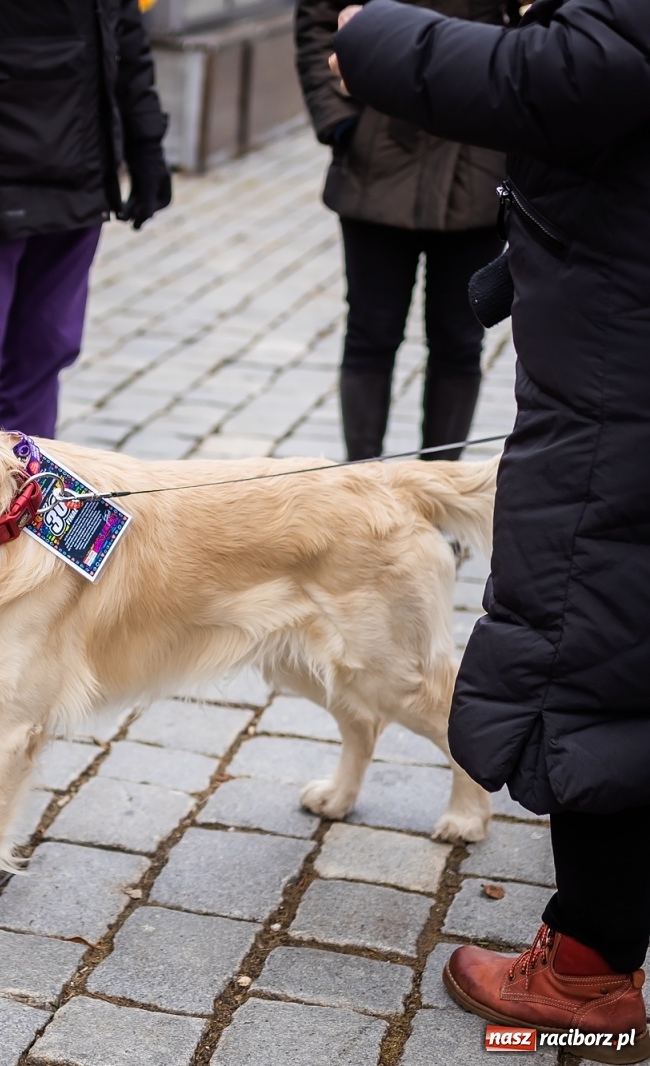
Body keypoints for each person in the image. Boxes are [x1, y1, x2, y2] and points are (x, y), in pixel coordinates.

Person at [333, 2, 650, 1057]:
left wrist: (370, 33)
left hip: (615, 399)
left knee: (596, 657)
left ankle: (588, 977)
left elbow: (580, 69)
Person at [0, 0, 171, 439]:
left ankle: (30, 477)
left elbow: (124, 34)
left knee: (46, 350)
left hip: (79, 176)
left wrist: (146, 144)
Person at [297, 0, 509, 463]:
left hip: (480, 151)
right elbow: (317, 21)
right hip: (377, 153)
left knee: (459, 340)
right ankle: (362, 487)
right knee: (370, 333)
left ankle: (438, 488)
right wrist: (341, 122)